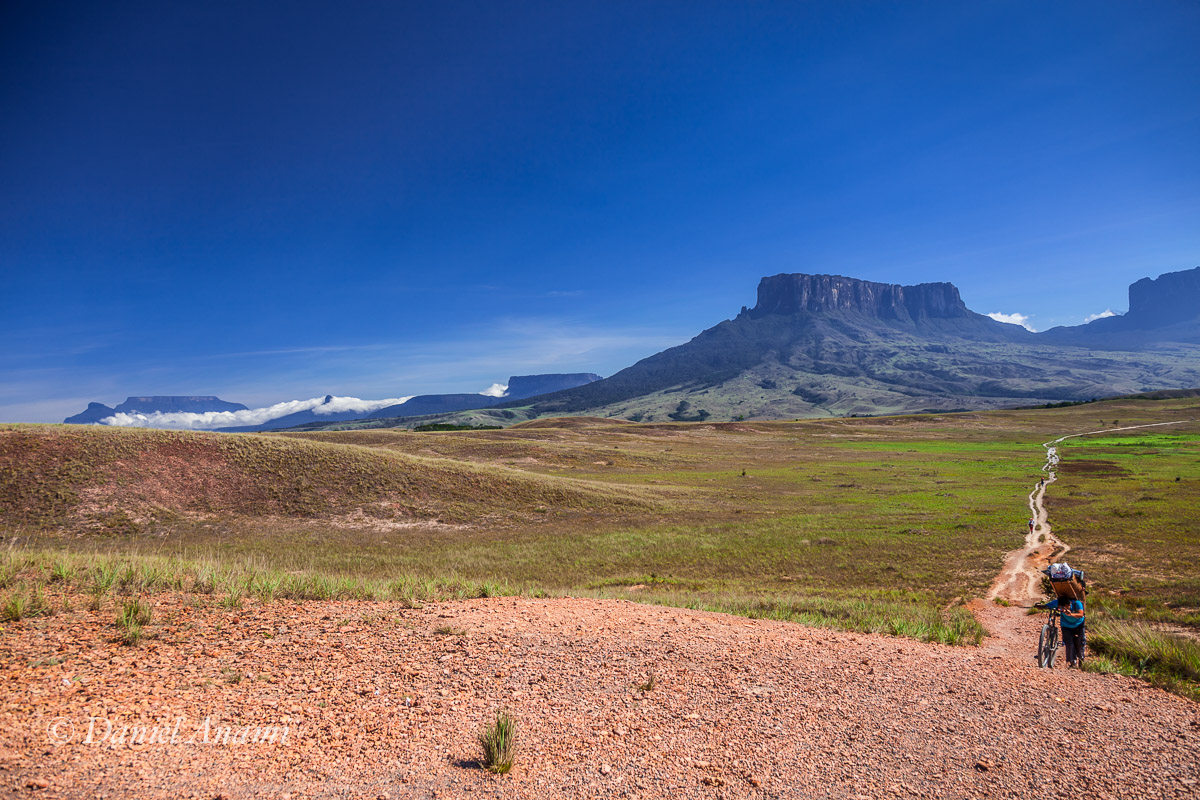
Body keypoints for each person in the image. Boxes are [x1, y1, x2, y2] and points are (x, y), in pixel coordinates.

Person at [1038, 595, 1086, 667]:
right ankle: (1072, 662)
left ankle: (1081, 659)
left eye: (1065, 607)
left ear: (1069, 604)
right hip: (1066, 625)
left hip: (1078, 624)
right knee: (1069, 643)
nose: (1063, 609)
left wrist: (1071, 614)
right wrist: (1041, 606)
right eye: (1061, 607)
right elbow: (1047, 606)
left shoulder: (1077, 603)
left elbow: (1081, 614)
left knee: (1080, 642)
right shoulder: (1058, 602)